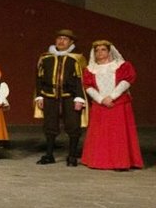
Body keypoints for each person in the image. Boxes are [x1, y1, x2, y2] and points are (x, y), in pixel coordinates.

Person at [80, 40, 143, 170]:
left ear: (109, 51)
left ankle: (121, 162)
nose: (99, 52)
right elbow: (88, 86)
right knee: (100, 134)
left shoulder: (121, 66)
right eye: (97, 50)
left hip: (119, 103)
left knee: (118, 134)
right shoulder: (90, 69)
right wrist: (101, 99)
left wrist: (112, 96)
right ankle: (99, 161)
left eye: (103, 49)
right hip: (100, 105)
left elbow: (127, 80)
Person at [34, 29, 87, 166]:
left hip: (70, 96)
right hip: (49, 95)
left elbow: (81, 80)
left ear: (71, 42)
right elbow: (39, 78)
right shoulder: (46, 58)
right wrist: (39, 96)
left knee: (73, 125)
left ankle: (72, 156)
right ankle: (49, 154)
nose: (61, 41)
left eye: (65, 39)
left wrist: (80, 98)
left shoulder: (76, 58)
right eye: (59, 38)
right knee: (50, 125)